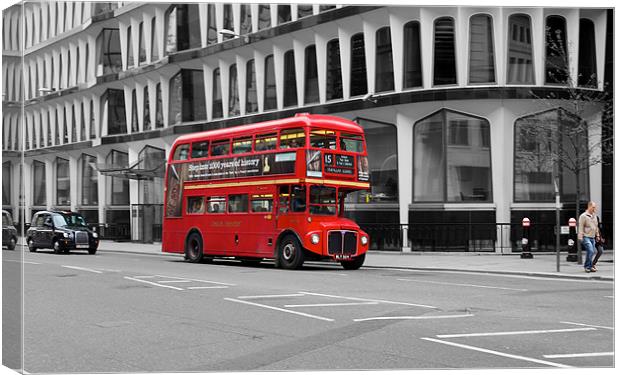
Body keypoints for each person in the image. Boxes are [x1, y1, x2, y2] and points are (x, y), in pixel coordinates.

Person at [578, 201, 600, 273]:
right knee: (590, 250)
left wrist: (597, 235)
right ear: (589, 207)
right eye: (593, 207)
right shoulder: (583, 216)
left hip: (592, 237)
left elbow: (596, 226)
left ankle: (590, 266)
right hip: (585, 236)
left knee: (592, 251)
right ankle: (587, 267)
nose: (594, 208)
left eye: (595, 207)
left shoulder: (595, 216)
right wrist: (580, 237)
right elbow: (580, 227)